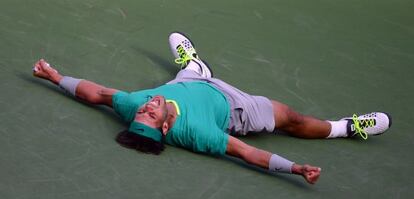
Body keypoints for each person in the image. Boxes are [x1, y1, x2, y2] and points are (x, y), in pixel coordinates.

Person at [32, 32, 392, 185]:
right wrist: (295, 168)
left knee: (185, 79)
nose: (147, 106)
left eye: (143, 111)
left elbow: (94, 93)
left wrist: (55, 77)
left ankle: (195, 67)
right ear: (166, 129)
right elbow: (248, 153)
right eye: (150, 114)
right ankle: (346, 128)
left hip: (187, 86)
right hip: (235, 107)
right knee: (292, 119)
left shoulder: (133, 105)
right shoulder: (199, 134)